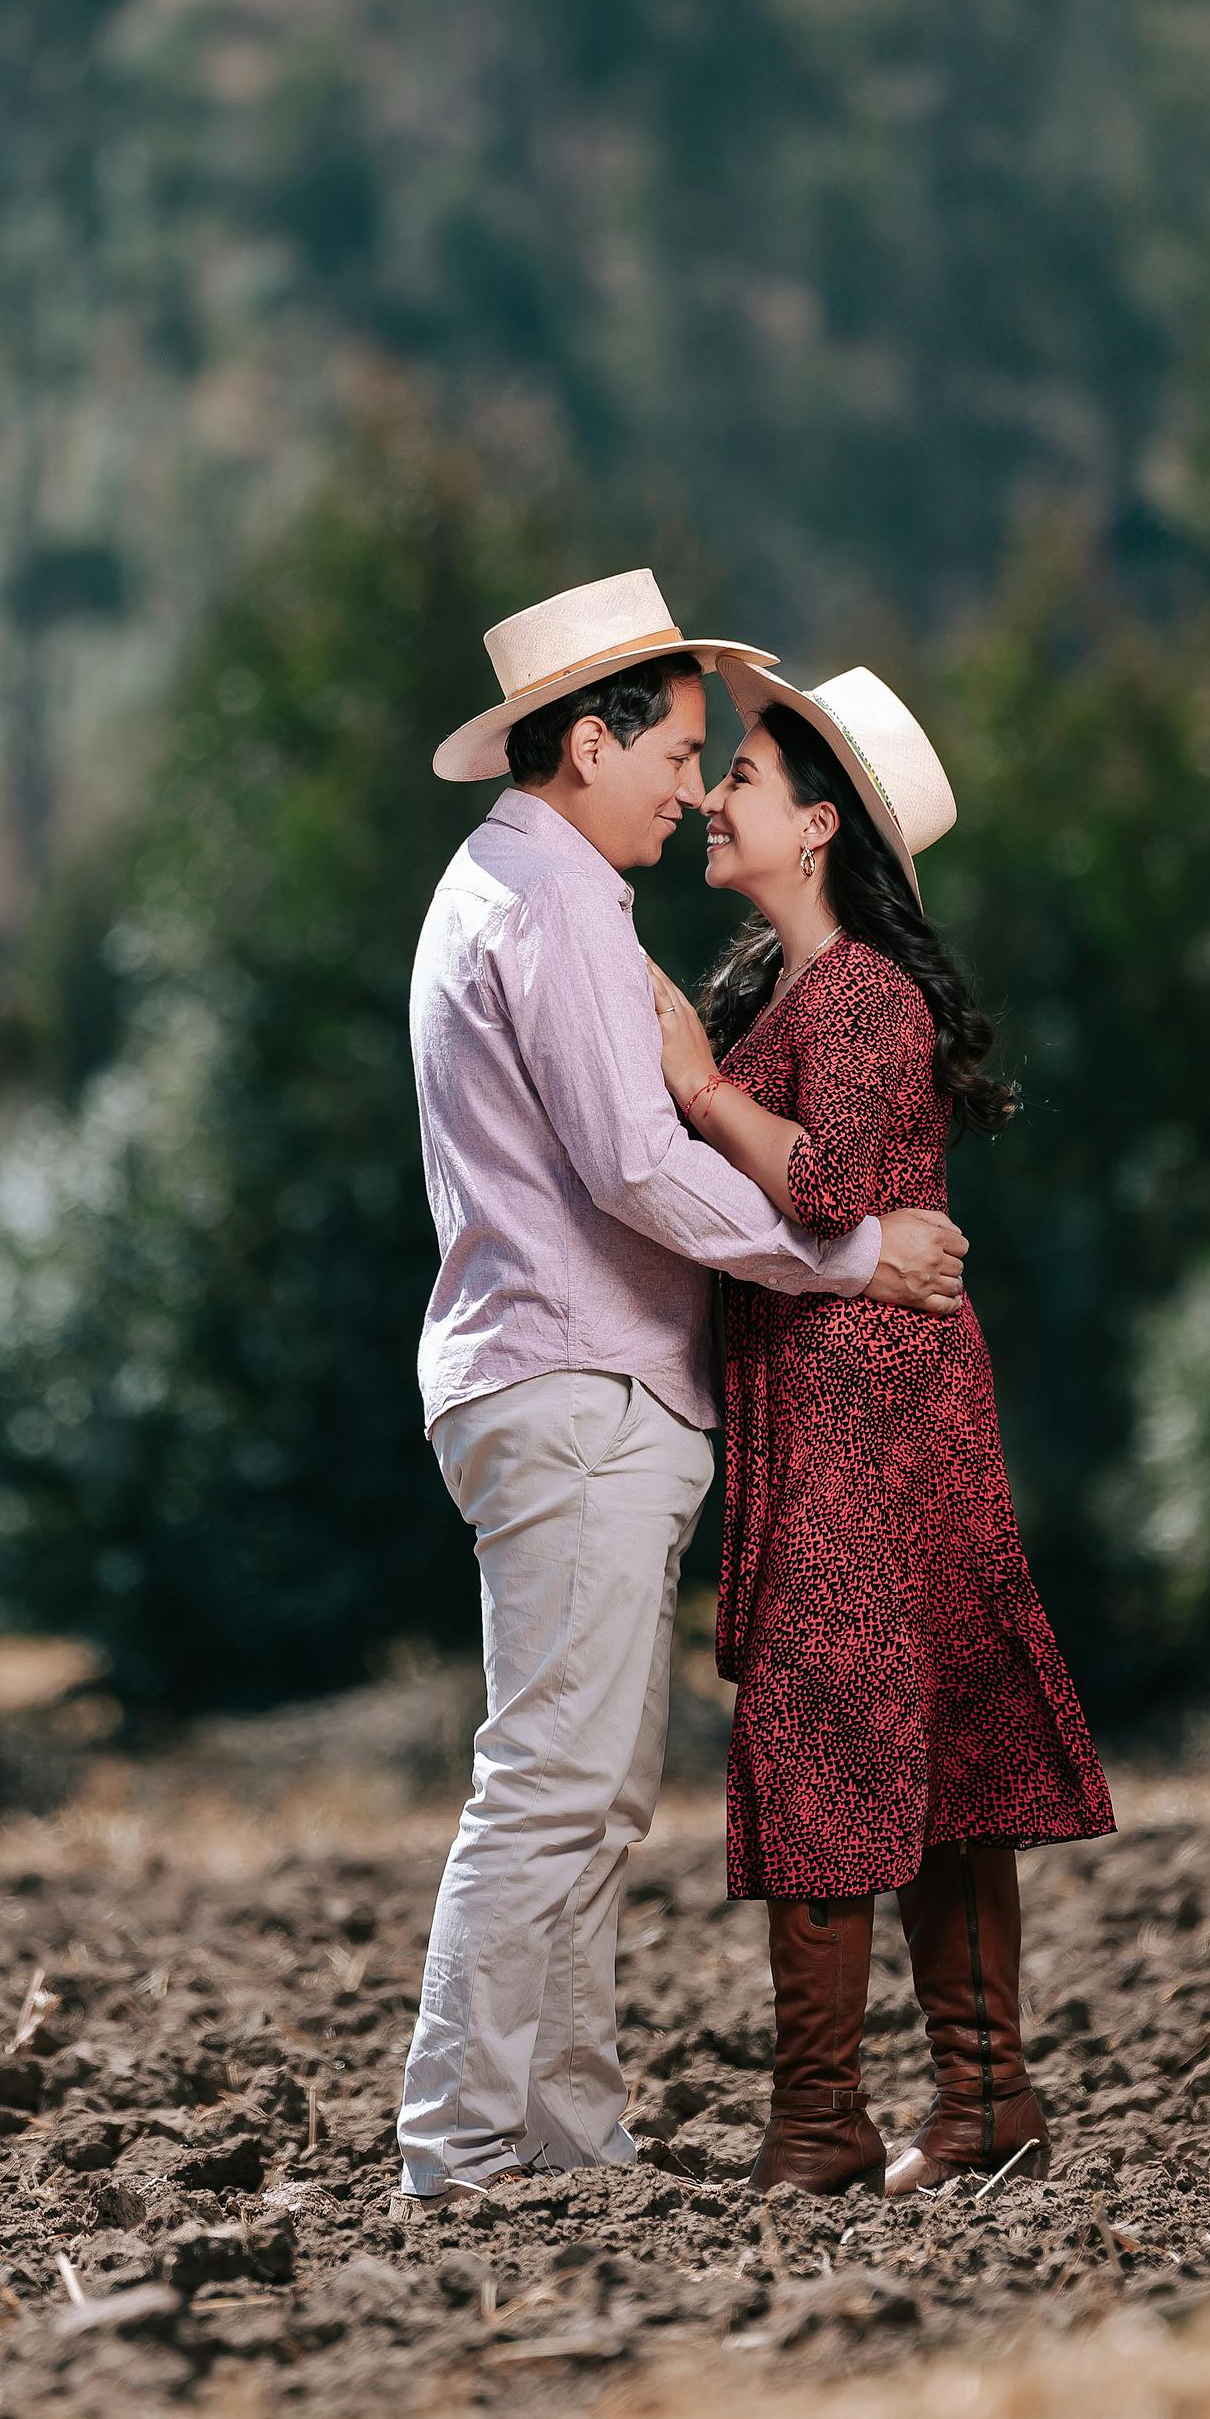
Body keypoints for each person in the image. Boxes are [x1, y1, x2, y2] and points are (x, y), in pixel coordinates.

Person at [397, 572, 972, 2200]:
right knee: (555, 1789)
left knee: (584, 1794)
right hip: (579, 1382)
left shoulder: (502, 888)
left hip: (543, 1379)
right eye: (673, 755)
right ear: (589, 744)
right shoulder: (560, 905)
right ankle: (461, 2144)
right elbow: (637, 1165)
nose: (687, 788)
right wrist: (855, 1256)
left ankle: (569, 2142)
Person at [647, 663, 1114, 2197]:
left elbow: (831, 1185)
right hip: (858, 1393)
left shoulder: (860, 996)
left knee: (838, 1723)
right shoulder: (802, 992)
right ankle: (978, 2099)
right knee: (915, 1728)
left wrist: (701, 1089)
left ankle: (832, 2119)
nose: (713, 797)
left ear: (818, 825)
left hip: (871, 1404)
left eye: (743, 779)